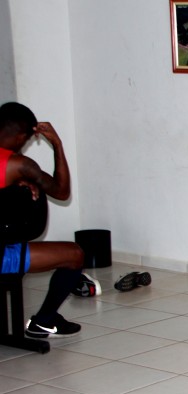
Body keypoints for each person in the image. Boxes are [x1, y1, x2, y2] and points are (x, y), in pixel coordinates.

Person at [0, 102, 91, 338]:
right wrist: (57, 145)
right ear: (21, 136)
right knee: (74, 255)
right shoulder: (18, 165)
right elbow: (62, 191)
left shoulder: (15, 169)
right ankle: (43, 321)